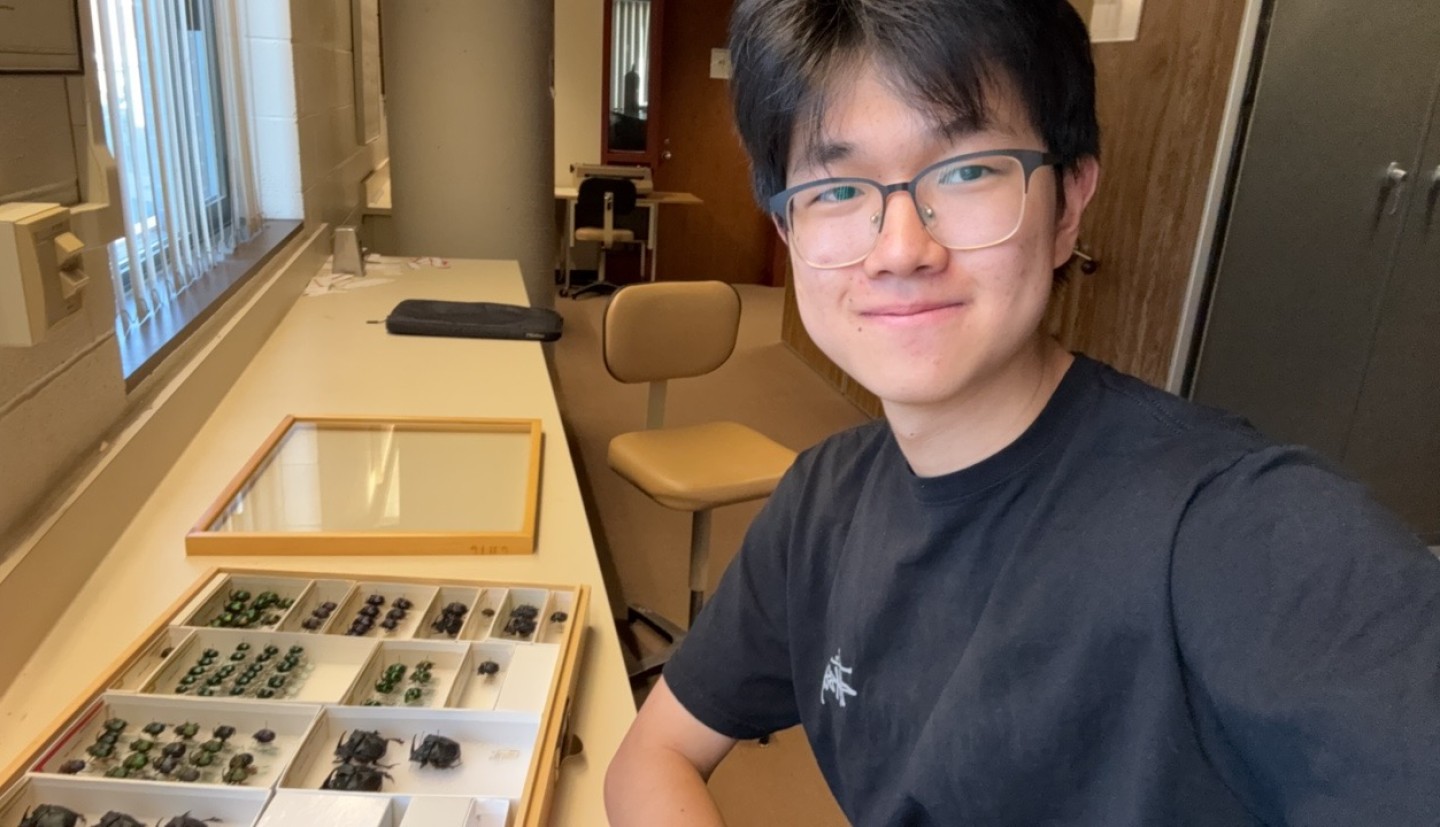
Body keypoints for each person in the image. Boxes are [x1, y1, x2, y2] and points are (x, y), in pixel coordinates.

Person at [604, 0, 1440, 823]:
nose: (900, 249)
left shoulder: (1242, 532)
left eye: (967, 171)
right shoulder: (822, 502)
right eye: (836, 189)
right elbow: (652, 754)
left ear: (1068, 205)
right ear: (788, 232)